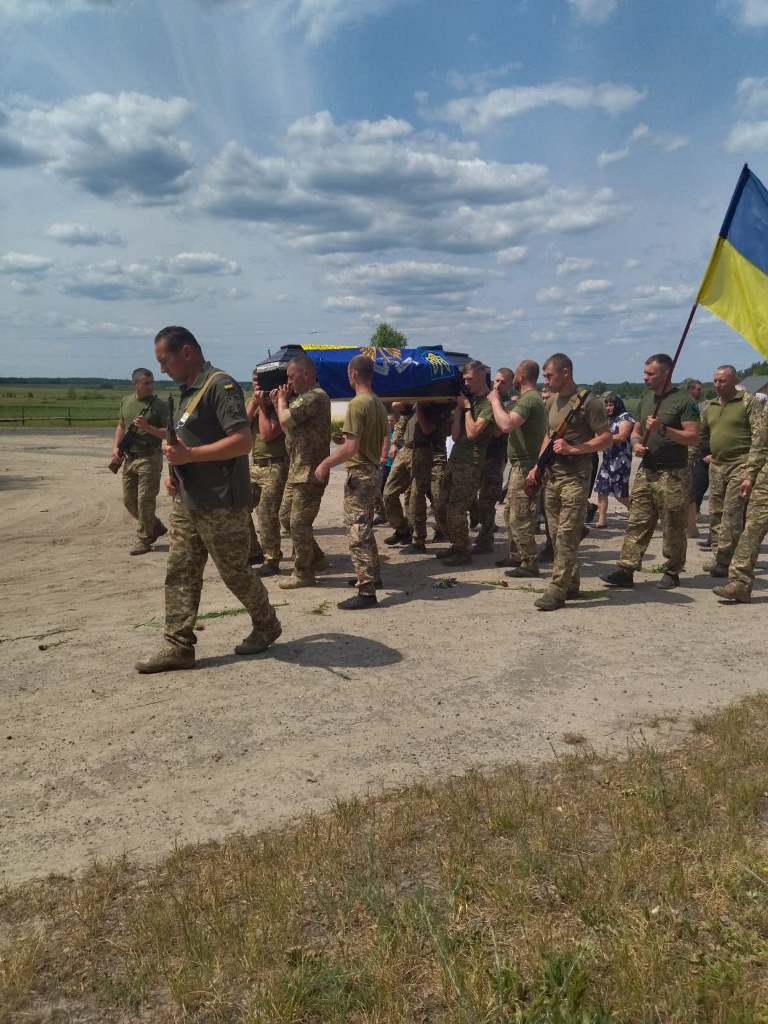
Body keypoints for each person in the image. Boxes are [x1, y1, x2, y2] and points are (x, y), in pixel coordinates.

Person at [135, 327, 281, 674]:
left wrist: (190, 456)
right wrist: (175, 471)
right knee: (180, 570)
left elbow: (242, 441)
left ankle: (266, 623)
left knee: (234, 572)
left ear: (186, 352)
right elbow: (182, 441)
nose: (161, 369)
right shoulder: (187, 393)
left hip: (221, 501)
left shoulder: (220, 385)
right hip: (189, 500)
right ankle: (178, 645)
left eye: (165, 360)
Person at [602, 353, 700, 592]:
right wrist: (636, 444)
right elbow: (636, 431)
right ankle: (626, 569)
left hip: (673, 473)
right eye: (645, 373)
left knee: (673, 525)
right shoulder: (646, 399)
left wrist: (663, 428)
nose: (645, 377)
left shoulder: (684, 401)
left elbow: (692, 436)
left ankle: (672, 571)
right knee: (637, 521)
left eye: (650, 373)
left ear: (666, 373)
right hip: (647, 470)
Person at [527, 354, 611, 610]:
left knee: (566, 534)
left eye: (549, 375)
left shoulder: (589, 402)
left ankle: (557, 589)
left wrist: (575, 449)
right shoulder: (551, 401)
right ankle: (571, 582)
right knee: (555, 534)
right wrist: (537, 466)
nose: (546, 380)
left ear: (565, 372)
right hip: (552, 476)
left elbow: (606, 438)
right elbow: (548, 436)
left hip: (576, 477)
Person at [315, 355, 388, 609]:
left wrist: (325, 463)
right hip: (372, 470)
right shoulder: (377, 402)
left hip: (360, 473)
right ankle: (372, 576)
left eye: (348, 373)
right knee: (365, 527)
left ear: (353, 374)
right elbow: (364, 439)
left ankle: (366, 591)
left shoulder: (357, 404)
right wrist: (345, 439)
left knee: (357, 531)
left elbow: (351, 448)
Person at [700, 365, 765, 577]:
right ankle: (719, 555)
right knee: (715, 513)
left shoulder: (748, 402)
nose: (717, 385)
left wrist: (751, 471)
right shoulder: (709, 406)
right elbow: (702, 435)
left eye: (723, 381)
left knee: (731, 514)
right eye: (715, 381)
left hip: (741, 464)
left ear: (734, 380)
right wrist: (702, 454)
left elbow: (759, 438)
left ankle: (727, 560)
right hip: (716, 466)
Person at [273, 354, 332, 589]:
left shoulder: (315, 397)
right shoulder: (302, 398)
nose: (288, 382)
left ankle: (304, 573)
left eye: (291, 376)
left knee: (298, 523)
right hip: (297, 470)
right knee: (286, 517)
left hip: (310, 472)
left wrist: (281, 400)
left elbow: (286, 419)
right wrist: (281, 401)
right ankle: (316, 557)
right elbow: (288, 426)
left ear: (306, 374)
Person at [488, 359, 547, 576]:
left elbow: (506, 425)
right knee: (510, 513)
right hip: (519, 465)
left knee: (520, 516)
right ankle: (516, 555)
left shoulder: (529, 400)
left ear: (521, 376)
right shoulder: (530, 399)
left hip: (525, 467)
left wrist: (495, 401)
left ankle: (529, 562)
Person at [435, 360, 495, 566]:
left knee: (456, 508)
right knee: (441, 505)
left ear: (481, 376)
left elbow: (472, 433)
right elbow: (455, 435)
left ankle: (463, 551)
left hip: (471, 462)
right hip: (456, 458)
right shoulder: (470, 401)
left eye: (470, 379)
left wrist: (467, 408)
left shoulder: (488, 402)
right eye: (464, 380)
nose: (466, 383)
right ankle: (456, 543)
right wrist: (460, 409)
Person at [113, 368, 169, 555]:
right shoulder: (126, 401)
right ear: (135, 384)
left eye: (152, 382)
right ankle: (155, 526)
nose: (151, 386)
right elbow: (121, 426)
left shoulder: (160, 405)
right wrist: (116, 448)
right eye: (146, 383)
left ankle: (144, 539)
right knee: (129, 501)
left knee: (145, 500)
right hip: (130, 458)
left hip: (150, 458)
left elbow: (168, 433)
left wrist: (148, 427)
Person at [246, 369, 287, 576]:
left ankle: (272, 559)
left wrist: (264, 406)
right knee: (240, 506)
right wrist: (255, 402)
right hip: (256, 465)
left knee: (266, 514)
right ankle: (254, 551)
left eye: (261, 382)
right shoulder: (255, 402)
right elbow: (240, 426)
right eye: (255, 381)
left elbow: (267, 434)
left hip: (276, 465)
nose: (257, 386)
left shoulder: (282, 403)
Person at [472, 368, 514, 554]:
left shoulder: (507, 406)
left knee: (487, 500)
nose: (497, 385)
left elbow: (498, 431)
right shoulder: (487, 401)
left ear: (510, 385)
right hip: (479, 456)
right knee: (469, 496)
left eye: (503, 382)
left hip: (494, 458)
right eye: (496, 381)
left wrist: (493, 406)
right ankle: (483, 528)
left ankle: (486, 539)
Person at [593, 393, 634, 528]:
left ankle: (638, 513)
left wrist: (602, 439)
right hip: (607, 460)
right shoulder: (609, 419)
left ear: (618, 405)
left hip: (620, 461)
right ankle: (602, 521)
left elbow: (622, 436)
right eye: (606, 405)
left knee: (620, 494)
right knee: (602, 490)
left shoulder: (626, 418)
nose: (608, 408)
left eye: (611, 405)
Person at [382, 403, 415, 546]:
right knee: (388, 493)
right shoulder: (406, 407)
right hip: (405, 451)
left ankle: (440, 530)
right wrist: (394, 443)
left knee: (419, 498)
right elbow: (396, 405)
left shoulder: (428, 400)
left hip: (428, 452)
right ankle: (402, 530)